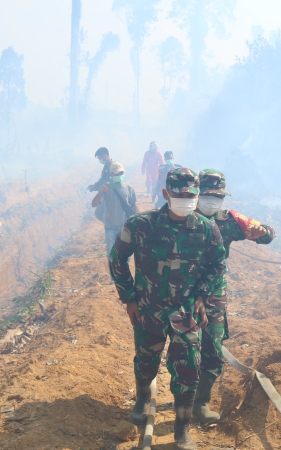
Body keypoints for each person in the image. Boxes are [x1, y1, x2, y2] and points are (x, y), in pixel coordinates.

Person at [109, 168, 226, 450]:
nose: (186, 199)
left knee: (187, 370)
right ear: (166, 194)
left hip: (185, 314)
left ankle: (182, 432)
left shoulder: (207, 228)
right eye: (180, 194)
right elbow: (117, 259)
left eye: (191, 195)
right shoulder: (140, 224)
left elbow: (217, 265)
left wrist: (202, 294)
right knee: (146, 361)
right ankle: (141, 400)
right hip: (148, 310)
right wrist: (130, 298)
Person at [193, 169, 275, 424]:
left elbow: (266, 235)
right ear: (196, 193)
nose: (212, 200)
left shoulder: (229, 220)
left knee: (213, 349)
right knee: (181, 350)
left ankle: (200, 403)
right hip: (181, 292)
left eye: (218, 196)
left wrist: (262, 231)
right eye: (207, 195)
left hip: (214, 294)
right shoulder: (180, 217)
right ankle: (182, 395)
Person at [91, 162, 138, 259]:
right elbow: (94, 204)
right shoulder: (106, 189)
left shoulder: (129, 188)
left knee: (125, 254)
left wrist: (138, 221)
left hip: (125, 227)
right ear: (111, 175)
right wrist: (101, 191)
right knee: (111, 255)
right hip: (110, 228)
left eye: (120, 173)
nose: (119, 176)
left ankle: (123, 273)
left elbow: (134, 205)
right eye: (116, 174)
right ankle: (113, 274)